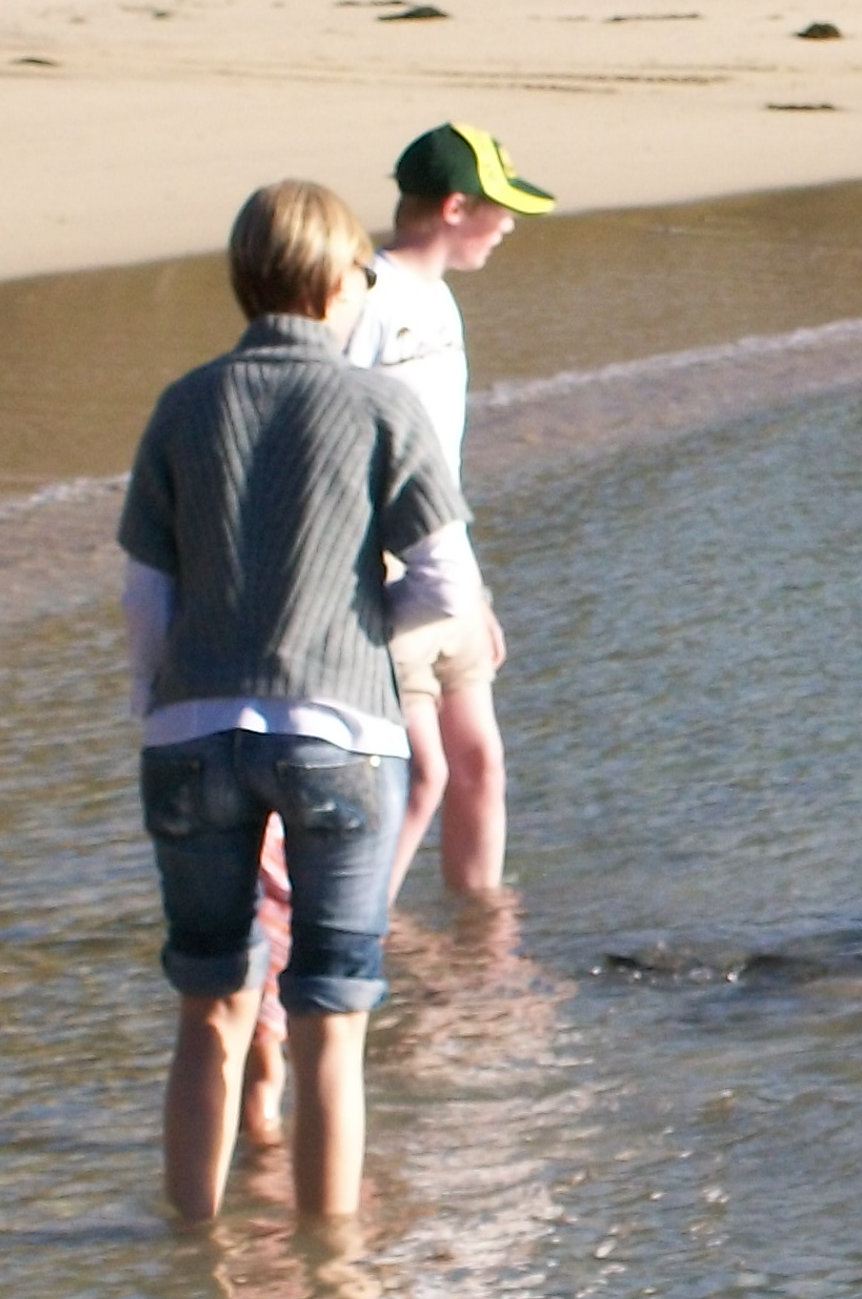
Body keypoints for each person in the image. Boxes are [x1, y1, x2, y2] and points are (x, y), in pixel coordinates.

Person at [120, 179, 481, 1222]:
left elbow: (146, 595)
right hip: (343, 734)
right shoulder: (381, 407)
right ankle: (332, 1284)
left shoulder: (183, 406)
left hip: (193, 732)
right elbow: (448, 587)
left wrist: (160, 700)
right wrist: (369, 643)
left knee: (210, 1008)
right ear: (337, 284)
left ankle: (193, 1256)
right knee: (332, 1016)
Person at [345, 121, 554, 902]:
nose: (509, 227)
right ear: (455, 207)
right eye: (499, 210)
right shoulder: (362, 298)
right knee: (421, 777)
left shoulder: (441, 302)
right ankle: (350, 937)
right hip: (389, 577)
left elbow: (444, 466)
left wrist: (477, 591)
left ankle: (481, 943)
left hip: (448, 566)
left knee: (479, 766)